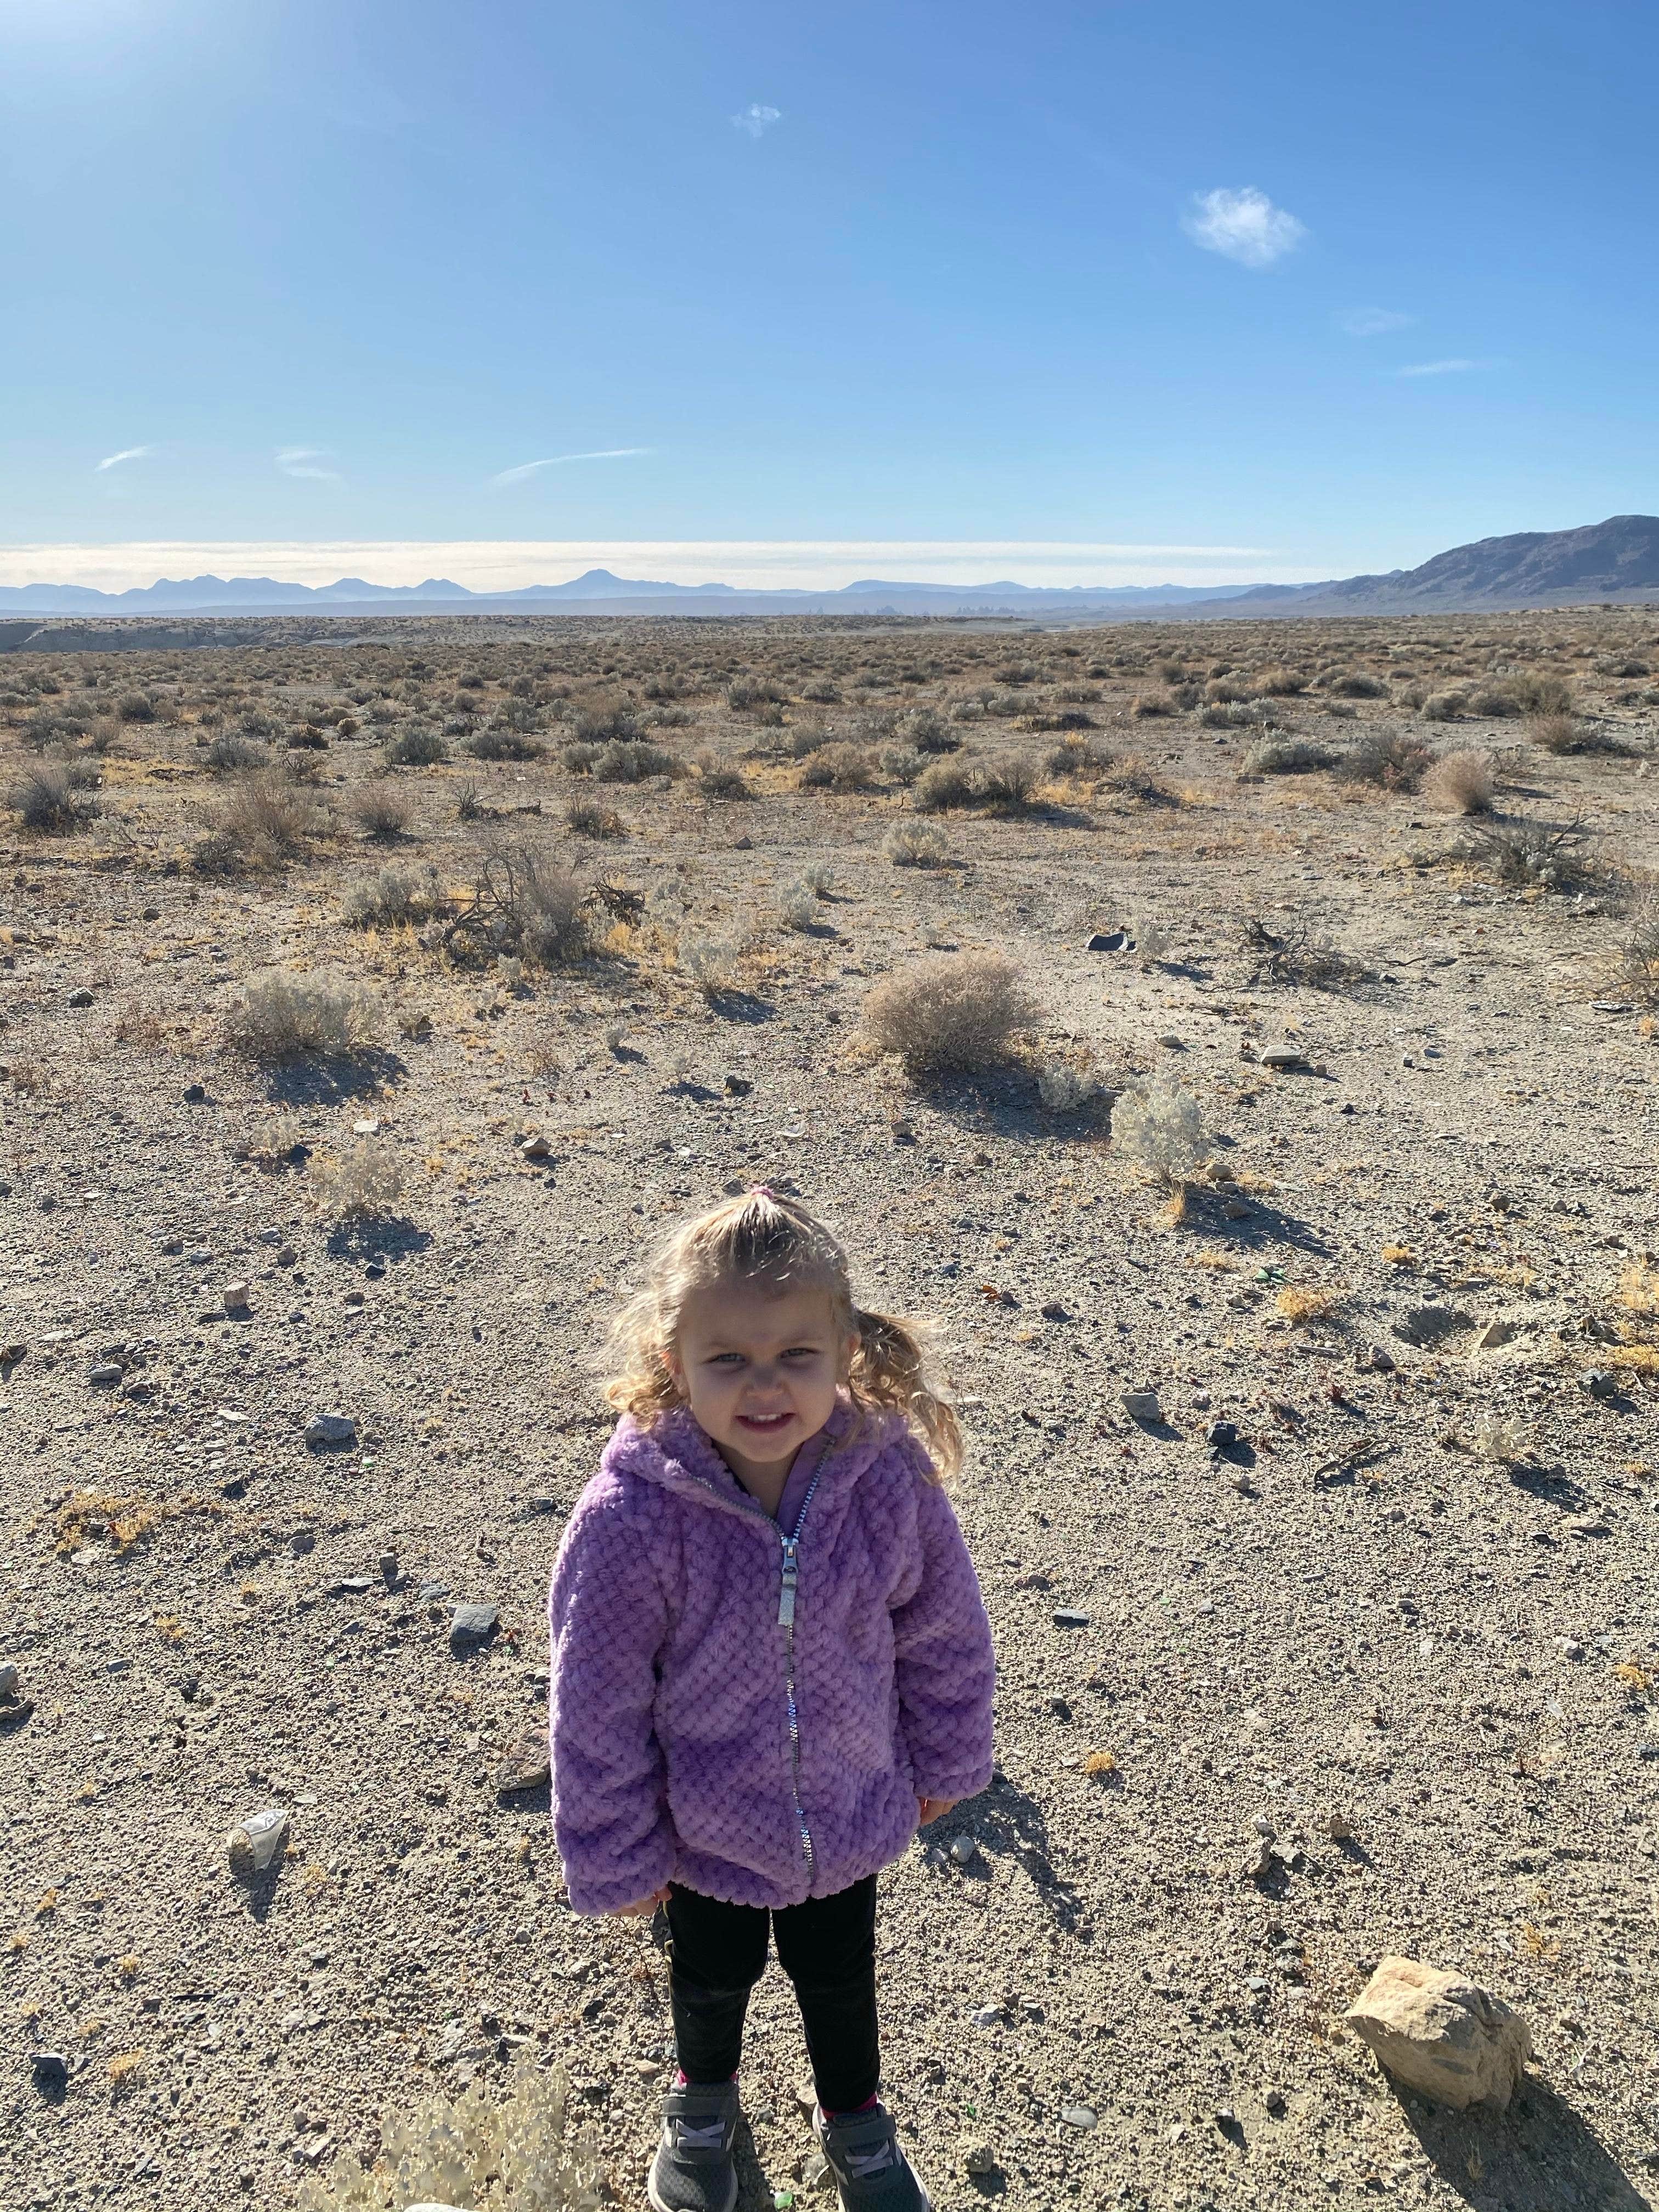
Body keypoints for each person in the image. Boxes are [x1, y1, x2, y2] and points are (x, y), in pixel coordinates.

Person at [548, 1187, 996, 2212]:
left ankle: (855, 2120)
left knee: (841, 1978)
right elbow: (596, 1702)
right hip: (703, 1831)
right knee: (711, 1979)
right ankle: (701, 2104)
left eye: (796, 1354)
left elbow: (943, 1632)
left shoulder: (886, 1481)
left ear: (845, 1352)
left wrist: (946, 1757)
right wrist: (619, 1849)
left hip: (847, 1808)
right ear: (674, 1362)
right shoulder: (632, 1518)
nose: (764, 1387)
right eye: (728, 1360)